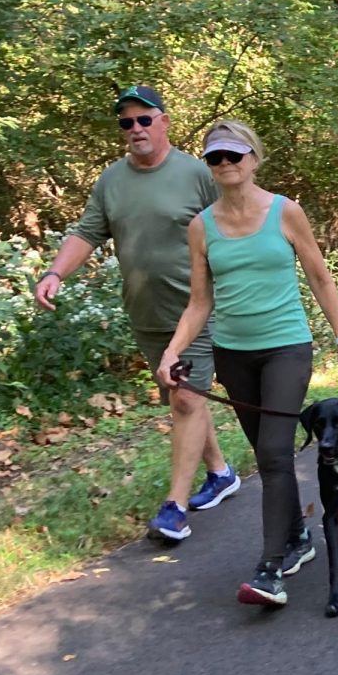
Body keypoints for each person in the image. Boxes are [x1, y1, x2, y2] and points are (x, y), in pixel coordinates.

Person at [157, 119, 338, 607]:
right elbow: (199, 302)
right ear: (209, 166)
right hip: (233, 354)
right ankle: (296, 539)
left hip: (286, 347)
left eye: (234, 154)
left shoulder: (285, 213)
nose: (225, 163)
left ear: (254, 158)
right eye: (215, 157)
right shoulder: (200, 226)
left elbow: (319, 276)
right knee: (268, 455)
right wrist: (173, 351)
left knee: (273, 452)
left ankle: (270, 569)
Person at [34, 85, 240, 543]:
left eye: (144, 119)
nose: (136, 129)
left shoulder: (196, 174)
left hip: (198, 309)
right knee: (183, 397)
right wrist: (54, 273)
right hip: (146, 313)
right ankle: (221, 473)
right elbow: (87, 232)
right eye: (126, 123)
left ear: (164, 121)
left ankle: (175, 508)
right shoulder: (111, 181)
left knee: (187, 399)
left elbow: (233, 223)